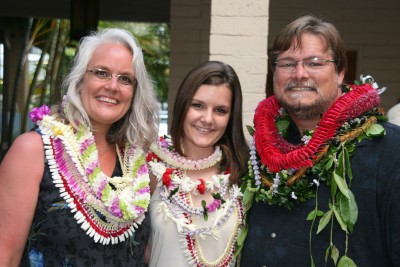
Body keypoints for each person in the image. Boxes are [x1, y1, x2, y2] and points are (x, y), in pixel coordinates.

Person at [239, 15, 400, 266]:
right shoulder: (260, 151)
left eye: (314, 63)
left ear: (340, 73)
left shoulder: (389, 150)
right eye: (287, 63)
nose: (300, 74)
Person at [0, 28, 159, 266]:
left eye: (125, 78)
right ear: (81, 79)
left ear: (135, 92)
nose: (113, 86)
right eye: (101, 72)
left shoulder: (138, 164)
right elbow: (6, 256)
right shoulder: (33, 151)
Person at [146, 61, 249, 266]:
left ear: (231, 117)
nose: (208, 119)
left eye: (220, 110)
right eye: (198, 105)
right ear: (183, 105)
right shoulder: (152, 167)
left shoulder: (243, 172)